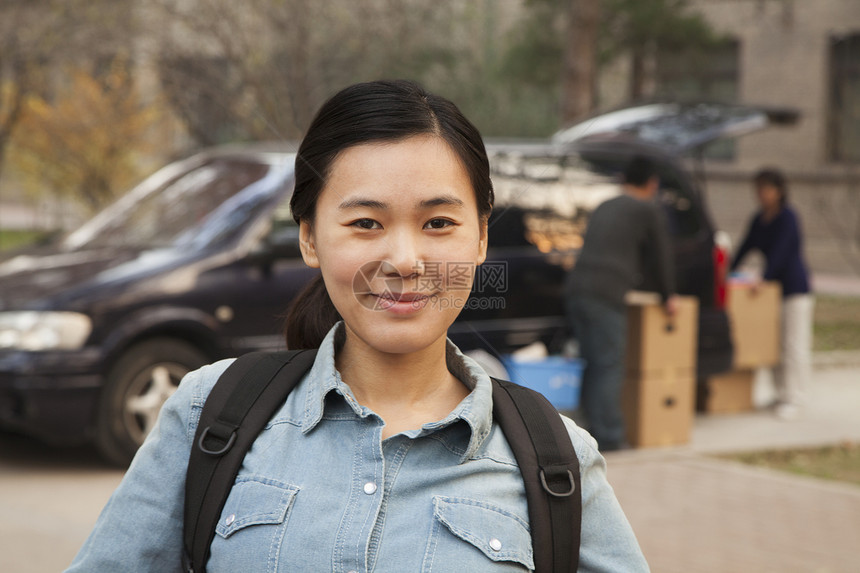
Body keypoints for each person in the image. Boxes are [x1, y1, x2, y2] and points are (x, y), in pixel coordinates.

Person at [65, 81, 648, 572]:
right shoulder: (207, 413)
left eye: (439, 222)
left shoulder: (556, 460)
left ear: (482, 237)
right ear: (310, 237)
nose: (404, 259)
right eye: (366, 222)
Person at [565, 156, 677, 452]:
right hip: (606, 294)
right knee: (609, 364)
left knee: (591, 361)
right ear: (652, 183)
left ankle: (586, 430)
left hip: (577, 289)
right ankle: (611, 437)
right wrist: (668, 296)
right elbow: (661, 257)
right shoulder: (647, 210)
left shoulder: (605, 205)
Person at [731, 168, 813, 420]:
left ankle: (794, 397)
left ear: (778, 191)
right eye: (758, 189)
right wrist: (728, 273)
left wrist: (764, 277)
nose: (761, 194)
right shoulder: (760, 218)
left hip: (794, 288)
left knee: (793, 344)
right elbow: (746, 245)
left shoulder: (788, 217)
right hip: (772, 292)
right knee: (775, 344)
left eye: (766, 189)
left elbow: (782, 251)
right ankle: (780, 394)